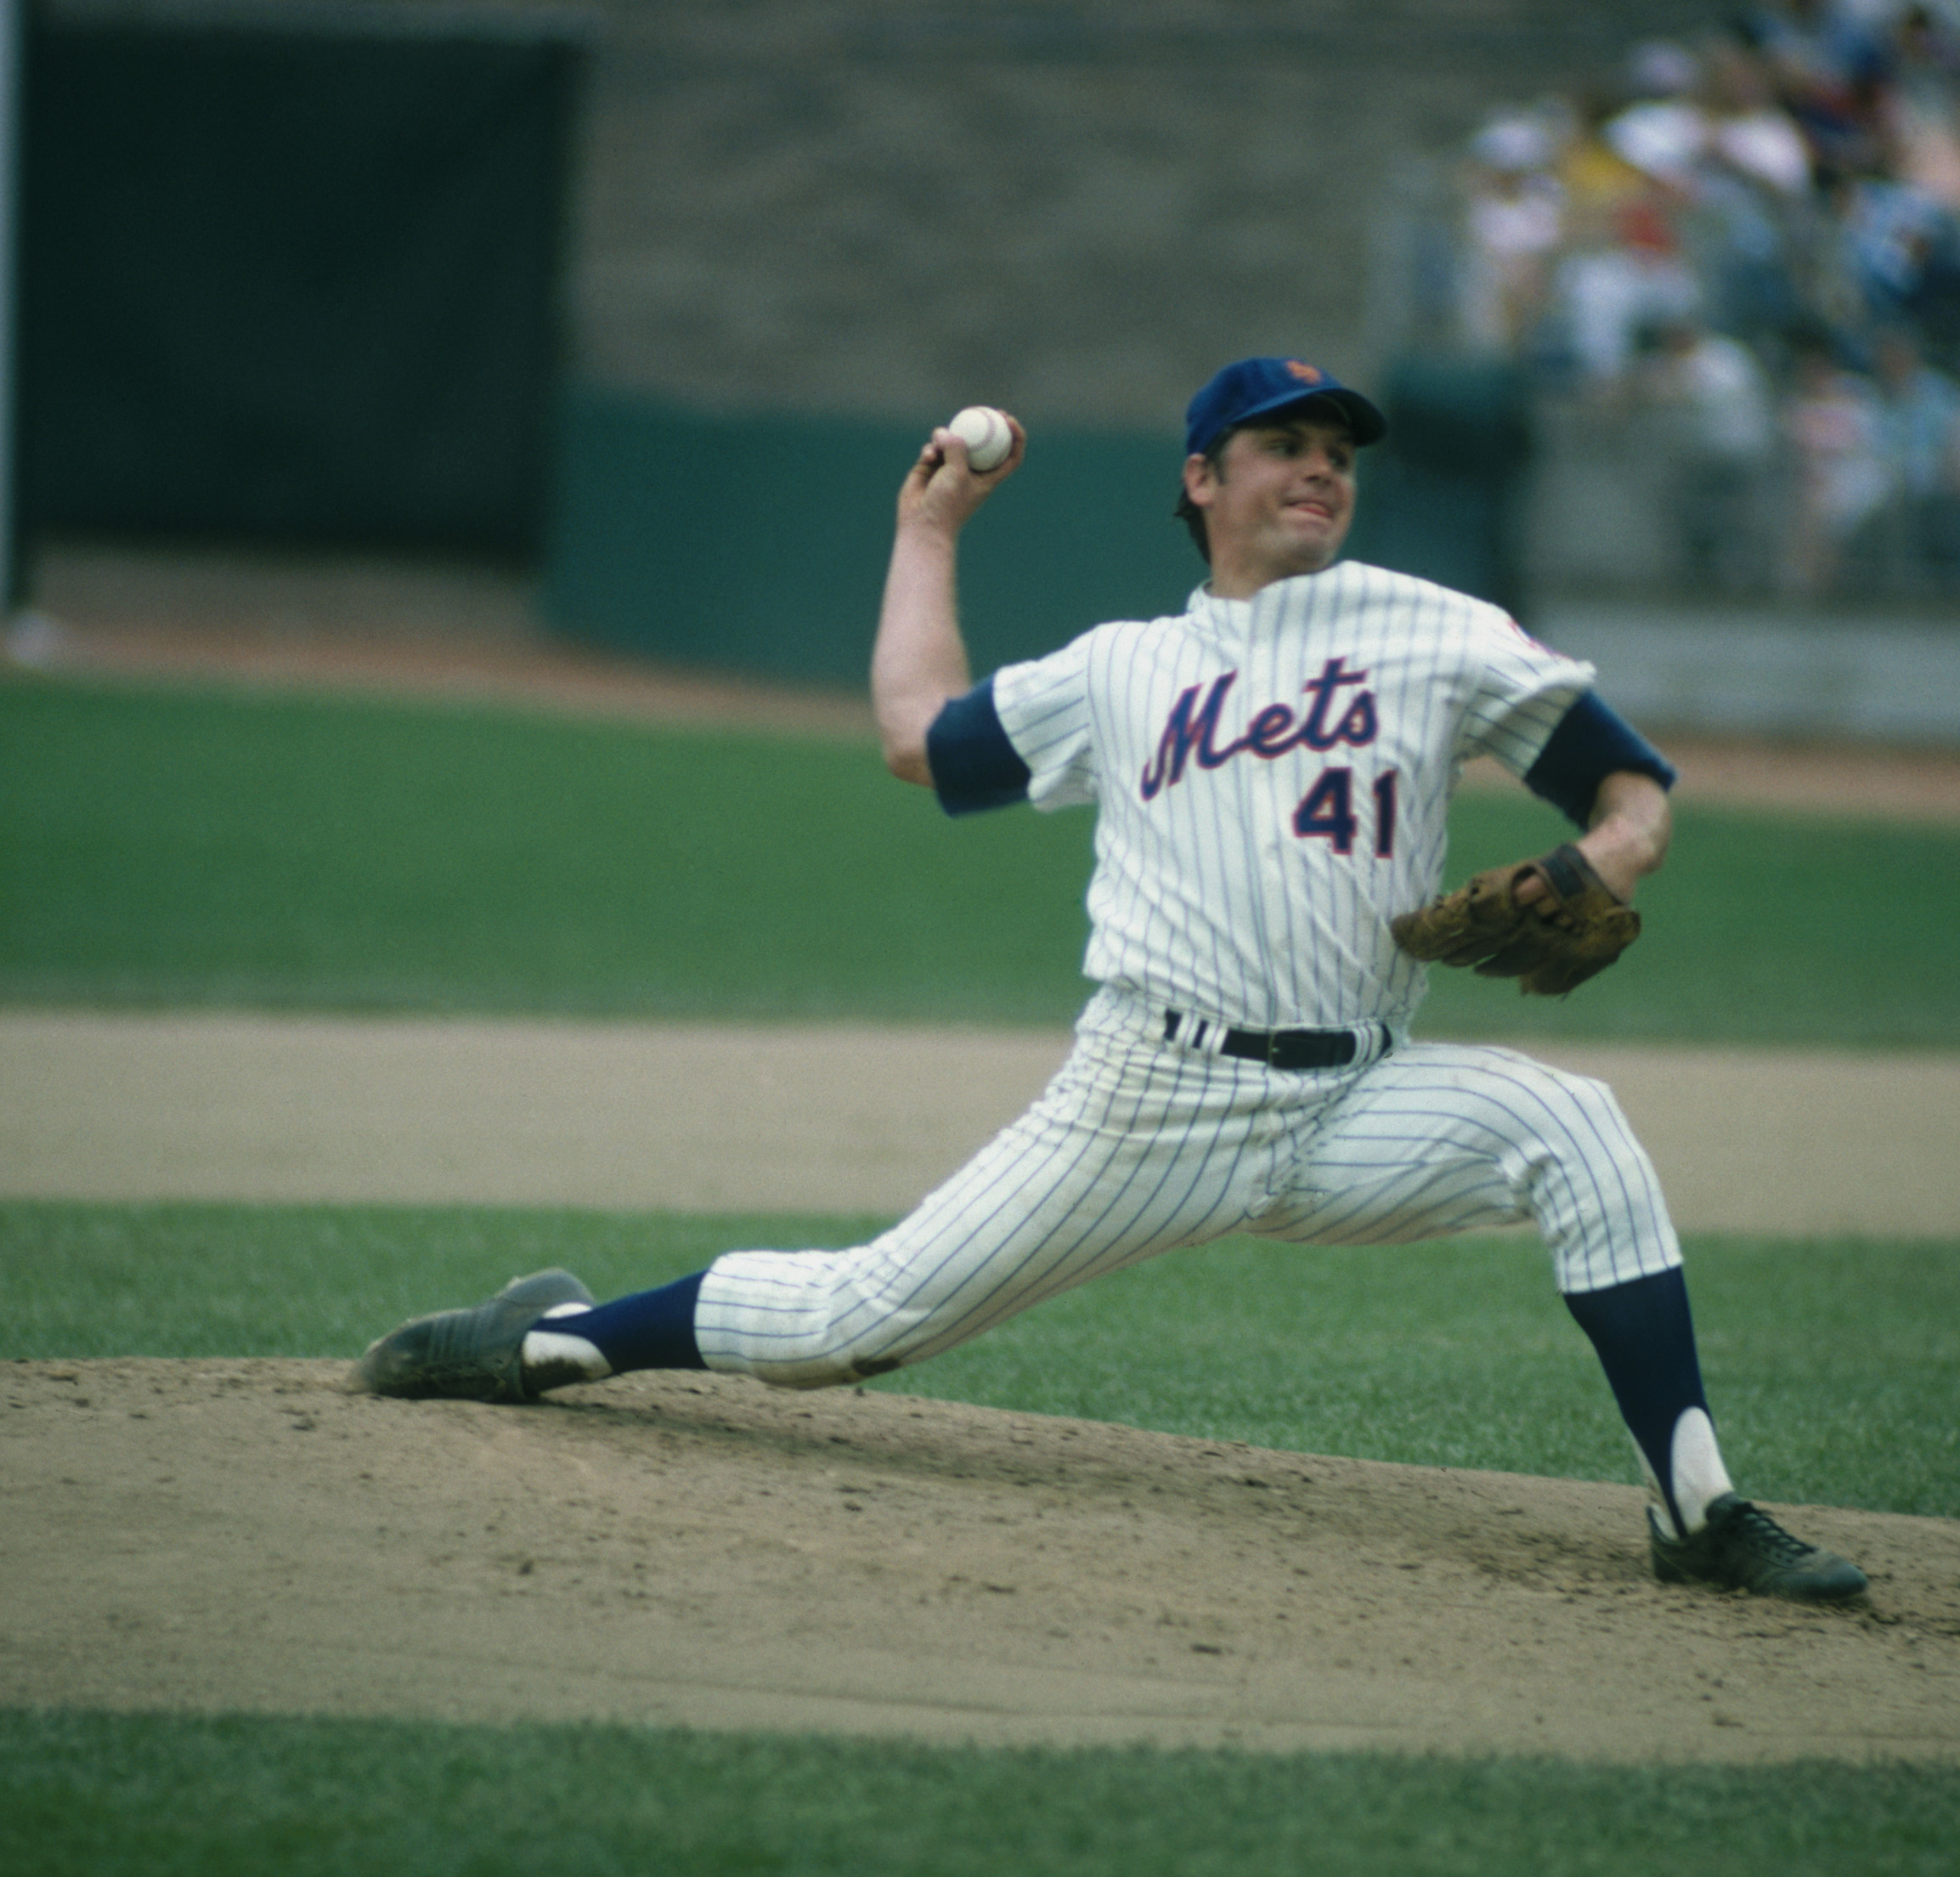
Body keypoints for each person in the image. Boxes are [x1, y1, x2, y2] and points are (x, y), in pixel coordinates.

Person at [353, 357, 1868, 1605]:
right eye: (1283, 445)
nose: (1320, 467)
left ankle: (1697, 1508)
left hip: (1358, 1095)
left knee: (1576, 1126)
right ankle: (548, 1337)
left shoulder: (1435, 631)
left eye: (1337, 450)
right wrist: (930, 533)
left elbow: (1631, 794)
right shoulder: (1121, 668)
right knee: (852, 1324)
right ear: (1203, 479)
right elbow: (918, 736)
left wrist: (1605, 860)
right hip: (1151, 1098)